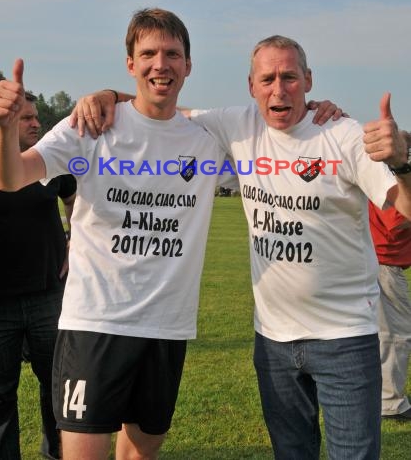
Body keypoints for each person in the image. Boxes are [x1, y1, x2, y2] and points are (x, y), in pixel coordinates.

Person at [0, 10, 342, 460]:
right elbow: (13, 177)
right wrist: (5, 129)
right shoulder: (91, 125)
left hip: (166, 327)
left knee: (141, 454)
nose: (161, 64)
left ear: (188, 65)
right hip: (95, 323)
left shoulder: (207, 135)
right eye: (148, 54)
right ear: (129, 63)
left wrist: (321, 113)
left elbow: (278, 122)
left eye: (172, 54)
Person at [75, 33, 411, 459]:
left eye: (289, 77)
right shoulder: (234, 125)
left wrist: (401, 163)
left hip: (345, 338)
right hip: (272, 340)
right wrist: (108, 95)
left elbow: (404, 205)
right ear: (251, 87)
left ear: (308, 80)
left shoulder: (340, 133)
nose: (279, 88)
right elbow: (159, 102)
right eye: (267, 78)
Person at [0, 91, 76, 460]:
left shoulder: (51, 161)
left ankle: (56, 454)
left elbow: (73, 198)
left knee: (56, 386)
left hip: (49, 297)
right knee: (0, 394)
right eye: (25, 118)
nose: (36, 123)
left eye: (36, 117)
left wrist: (75, 237)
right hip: (1, 304)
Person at [369, 187, 411, 421]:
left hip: (376, 261)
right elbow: (396, 219)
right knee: (395, 333)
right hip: (383, 264)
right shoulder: (393, 178)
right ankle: (390, 402)